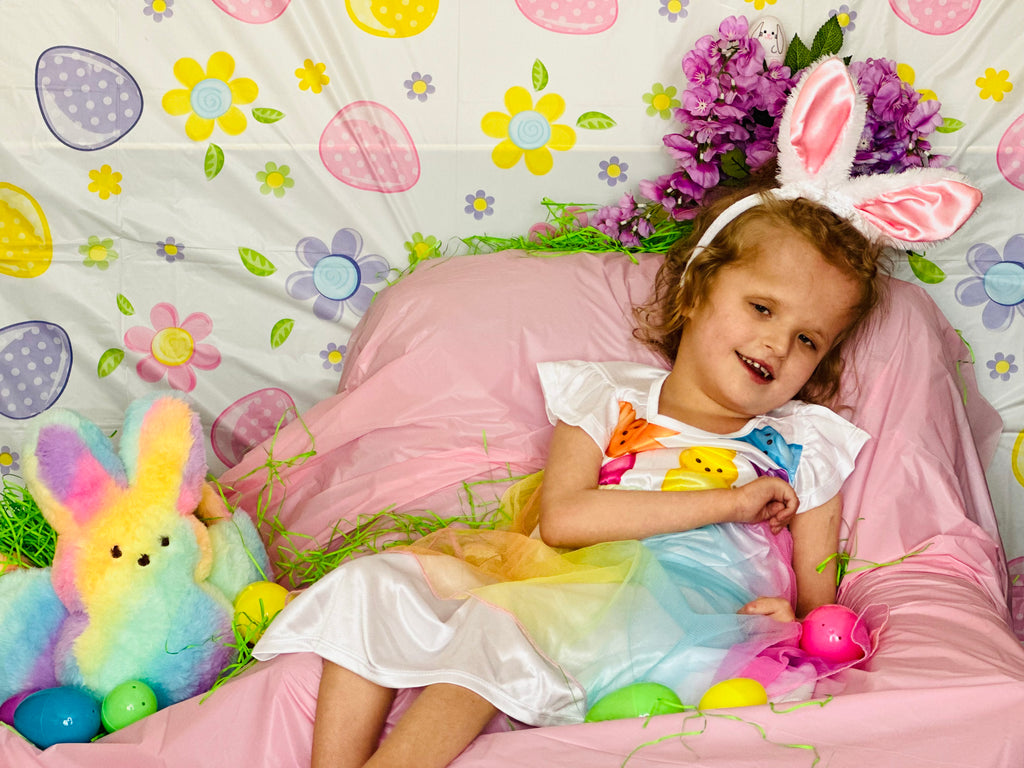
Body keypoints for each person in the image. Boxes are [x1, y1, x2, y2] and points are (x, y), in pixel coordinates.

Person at [250, 57, 982, 768]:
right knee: (379, 583)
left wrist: (789, 617)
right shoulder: (607, 399)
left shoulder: (802, 444)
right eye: (762, 308)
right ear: (696, 291)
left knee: (496, 629)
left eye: (808, 340)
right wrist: (728, 502)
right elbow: (564, 521)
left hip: (687, 624)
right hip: (569, 584)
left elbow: (818, 601)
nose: (776, 345)